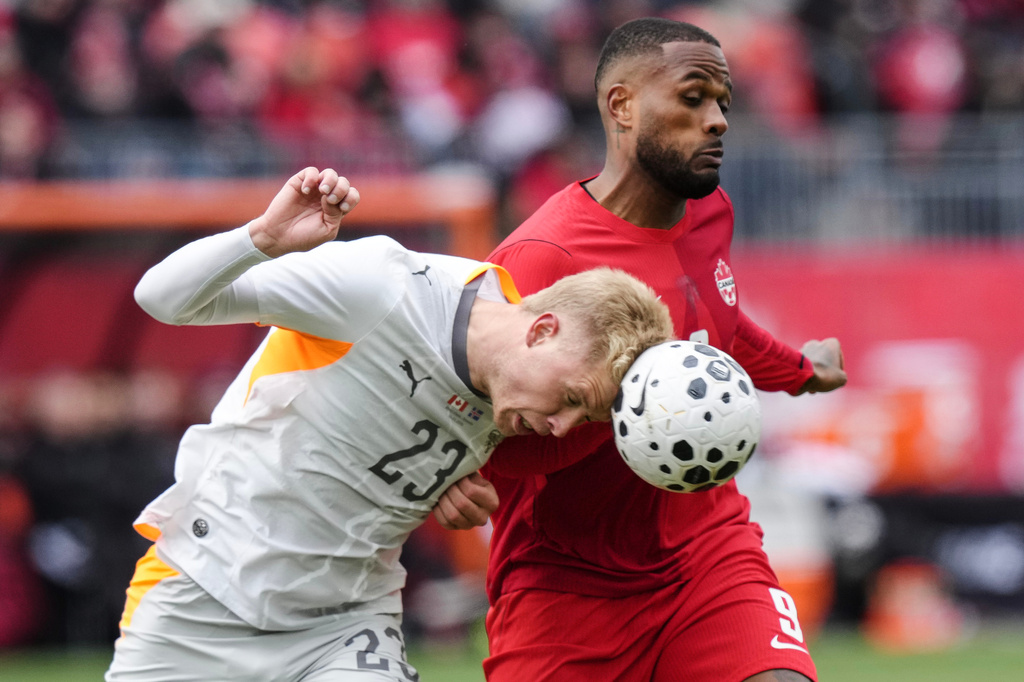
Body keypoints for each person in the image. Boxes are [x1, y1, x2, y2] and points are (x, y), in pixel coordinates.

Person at [104, 166, 674, 681]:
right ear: (542, 329)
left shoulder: (514, 397)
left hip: (343, 628)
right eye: (572, 397)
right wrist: (263, 240)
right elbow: (161, 297)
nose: (560, 426)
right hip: (204, 591)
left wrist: (442, 483)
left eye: (583, 417)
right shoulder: (382, 287)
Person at [464, 18, 848, 682]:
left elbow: (714, 325)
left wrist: (801, 372)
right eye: (693, 97)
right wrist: (448, 478)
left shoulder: (710, 212)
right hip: (567, 582)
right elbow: (477, 423)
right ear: (622, 106)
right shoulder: (539, 259)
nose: (718, 120)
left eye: (724, 103)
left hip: (708, 550)